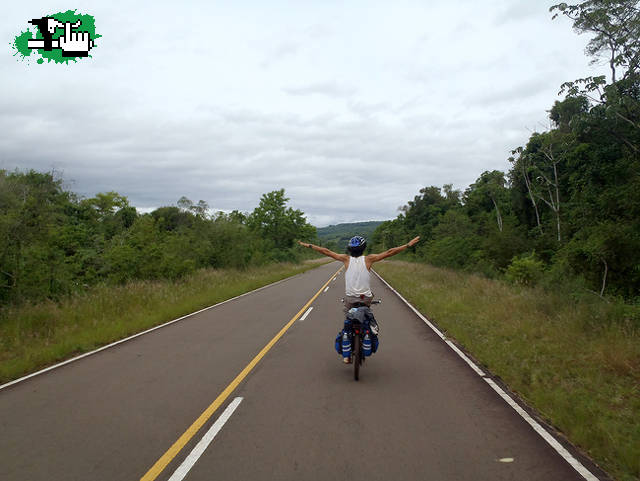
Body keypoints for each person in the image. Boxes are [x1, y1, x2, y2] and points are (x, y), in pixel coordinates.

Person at [298, 235, 420, 362]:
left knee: (349, 318)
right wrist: (407, 245)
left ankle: (347, 353)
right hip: (365, 299)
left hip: (350, 299)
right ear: (363, 248)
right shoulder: (369, 259)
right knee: (367, 314)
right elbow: (390, 252)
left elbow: (326, 251)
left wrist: (309, 245)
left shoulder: (345, 259)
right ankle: (369, 328)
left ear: (350, 249)